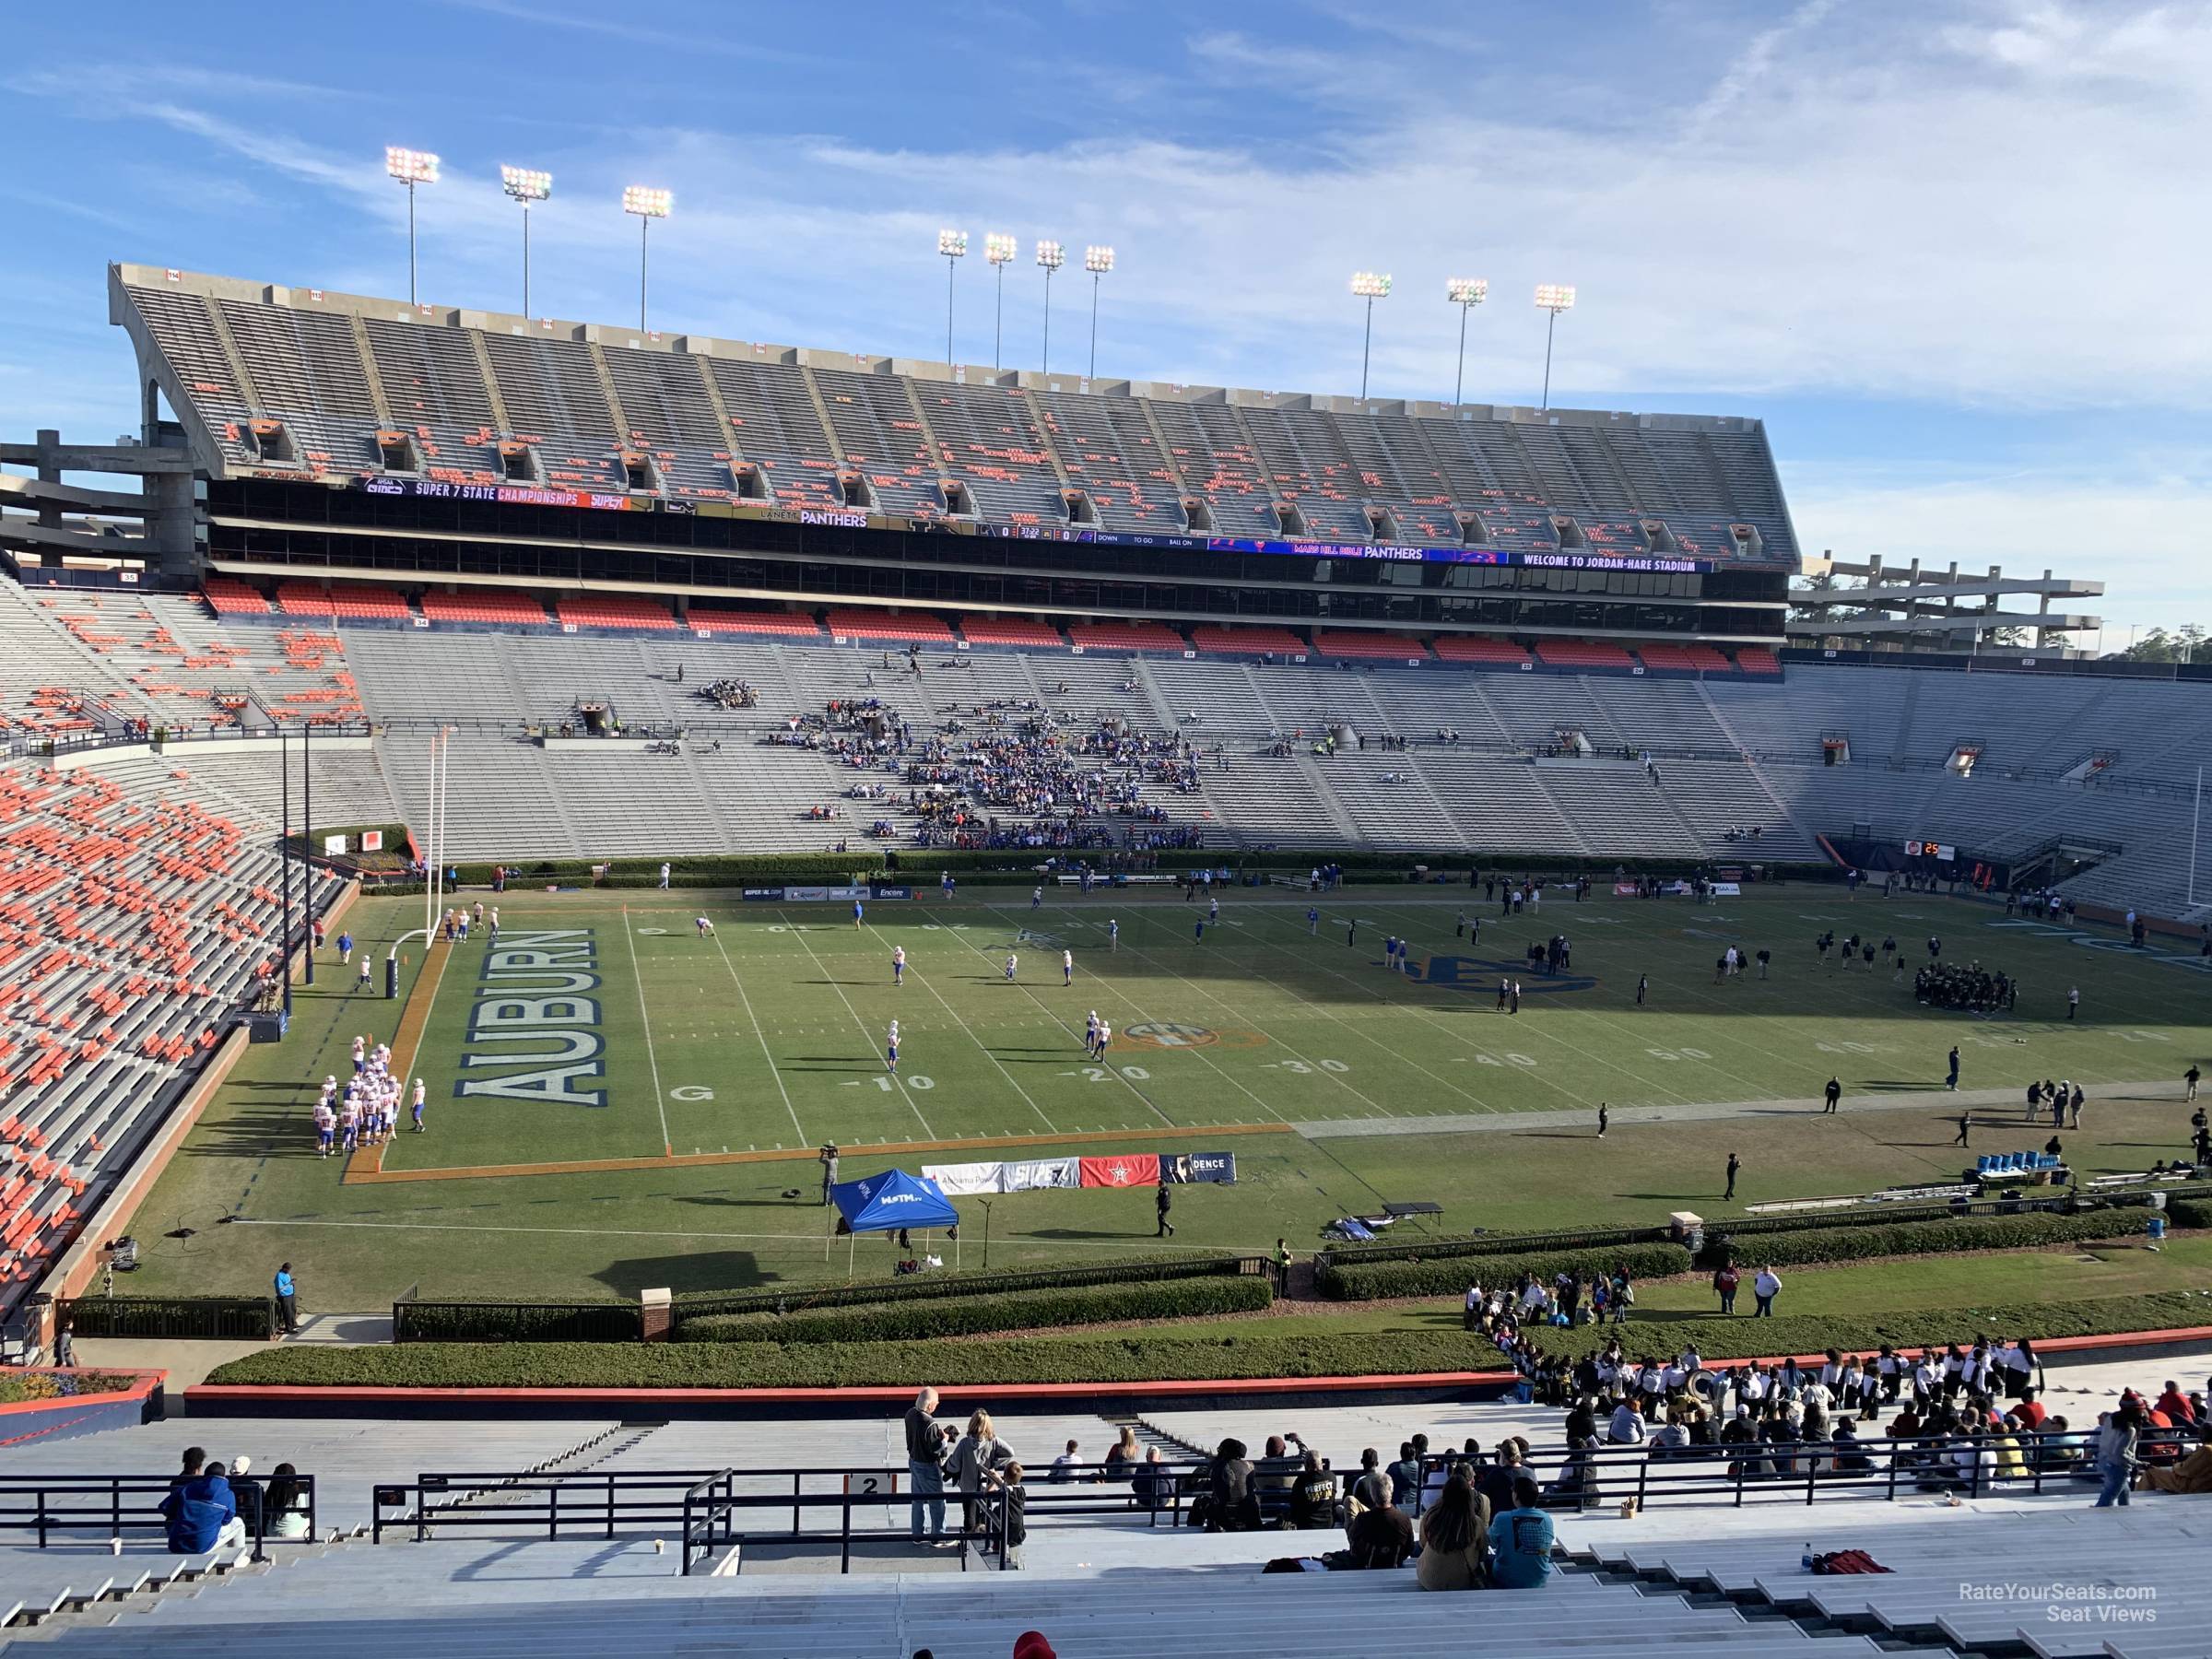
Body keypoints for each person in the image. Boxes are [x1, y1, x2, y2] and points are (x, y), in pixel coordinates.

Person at [1414, 1469, 1489, 1590]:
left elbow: (1423, 1544)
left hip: (1428, 1578)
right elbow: (1483, 1553)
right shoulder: (1475, 1523)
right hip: (1461, 1582)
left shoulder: (1431, 1515)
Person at [159, 1448, 244, 1554]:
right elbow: (226, 1521)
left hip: (176, 1542)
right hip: (201, 1545)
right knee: (239, 1523)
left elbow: (164, 1507)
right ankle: (237, 1554)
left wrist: (182, 1514)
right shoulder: (227, 1494)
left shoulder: (186, 1487)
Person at [945, 1409, 1013, 1535]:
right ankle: (983, 1537)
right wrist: (994, 1465)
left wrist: (947, 1466)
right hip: (986, 1486)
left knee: (969, 1515)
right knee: (985, 1513)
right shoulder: (993, 1441)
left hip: (968, 1486)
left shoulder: (964, 1443)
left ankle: (969, 1540)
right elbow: (1010, 1453)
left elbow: (954, 1465)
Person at [1488, 1476, 1555, 1589]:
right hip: (1539, 1579)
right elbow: (1544, 1550)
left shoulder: (1502, 1518)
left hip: (1506, 1579)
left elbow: (1492, 1541)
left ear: (1515, 1495)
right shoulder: (1547, 1519)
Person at [904, 1387, 948, 1544]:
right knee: (937, 1503)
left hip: (914, 1461)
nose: (937, 1405)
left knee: (917, 1501)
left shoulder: (910, 1414)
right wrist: (945, 1439)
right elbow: (936, 1448)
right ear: (930, 1406)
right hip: (928, 1466)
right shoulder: (930, 1423)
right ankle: (938, 1537)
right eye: (936, 1403)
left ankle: (917, 1534)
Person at [2095, 1402, 2141, 1508]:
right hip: (2119, 1466)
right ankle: (2101, 1518)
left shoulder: (2110, 1419)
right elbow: (2120, 1452)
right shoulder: (2129, 1430)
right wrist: (2138, 1462)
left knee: (2124, 1491)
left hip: (2105, 1461)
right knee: (2108, 1498)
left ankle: (2126, 1509)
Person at [263, 1463, 311, 1540]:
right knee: (308, 1519)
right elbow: (302, 1511)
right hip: (295, 1532)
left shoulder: (271, 1491)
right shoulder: (297, 1491)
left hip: (273, 1532)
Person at [273, 1264, 299, 1335]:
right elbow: (280, 1288)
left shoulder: (287, 1274)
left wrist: (292, 1282)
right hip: (284, 1296)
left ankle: (293, 1325)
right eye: (287, 1269)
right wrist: (290, 1283)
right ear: (284, 1268)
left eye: (289, 1269)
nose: (288, 1271)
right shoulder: (279, 1276)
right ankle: (288, 1329)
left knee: (293, 1310)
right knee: (288, 1313)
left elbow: (288, 1283)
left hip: (290, 1295)